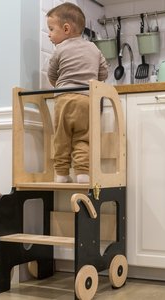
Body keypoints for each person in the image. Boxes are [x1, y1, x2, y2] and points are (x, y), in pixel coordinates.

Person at [46, 2, 108, 183]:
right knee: (83, 138)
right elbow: (103, 73)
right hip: (87, 100)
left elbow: (52, 75)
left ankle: (62, 174)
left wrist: (61, 86)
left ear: (66, 29)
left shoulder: (60, 49)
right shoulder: (94, 48)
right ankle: (82, 173)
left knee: (62, 138)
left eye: (51, 29)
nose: (49, 34)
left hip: (64, 100)